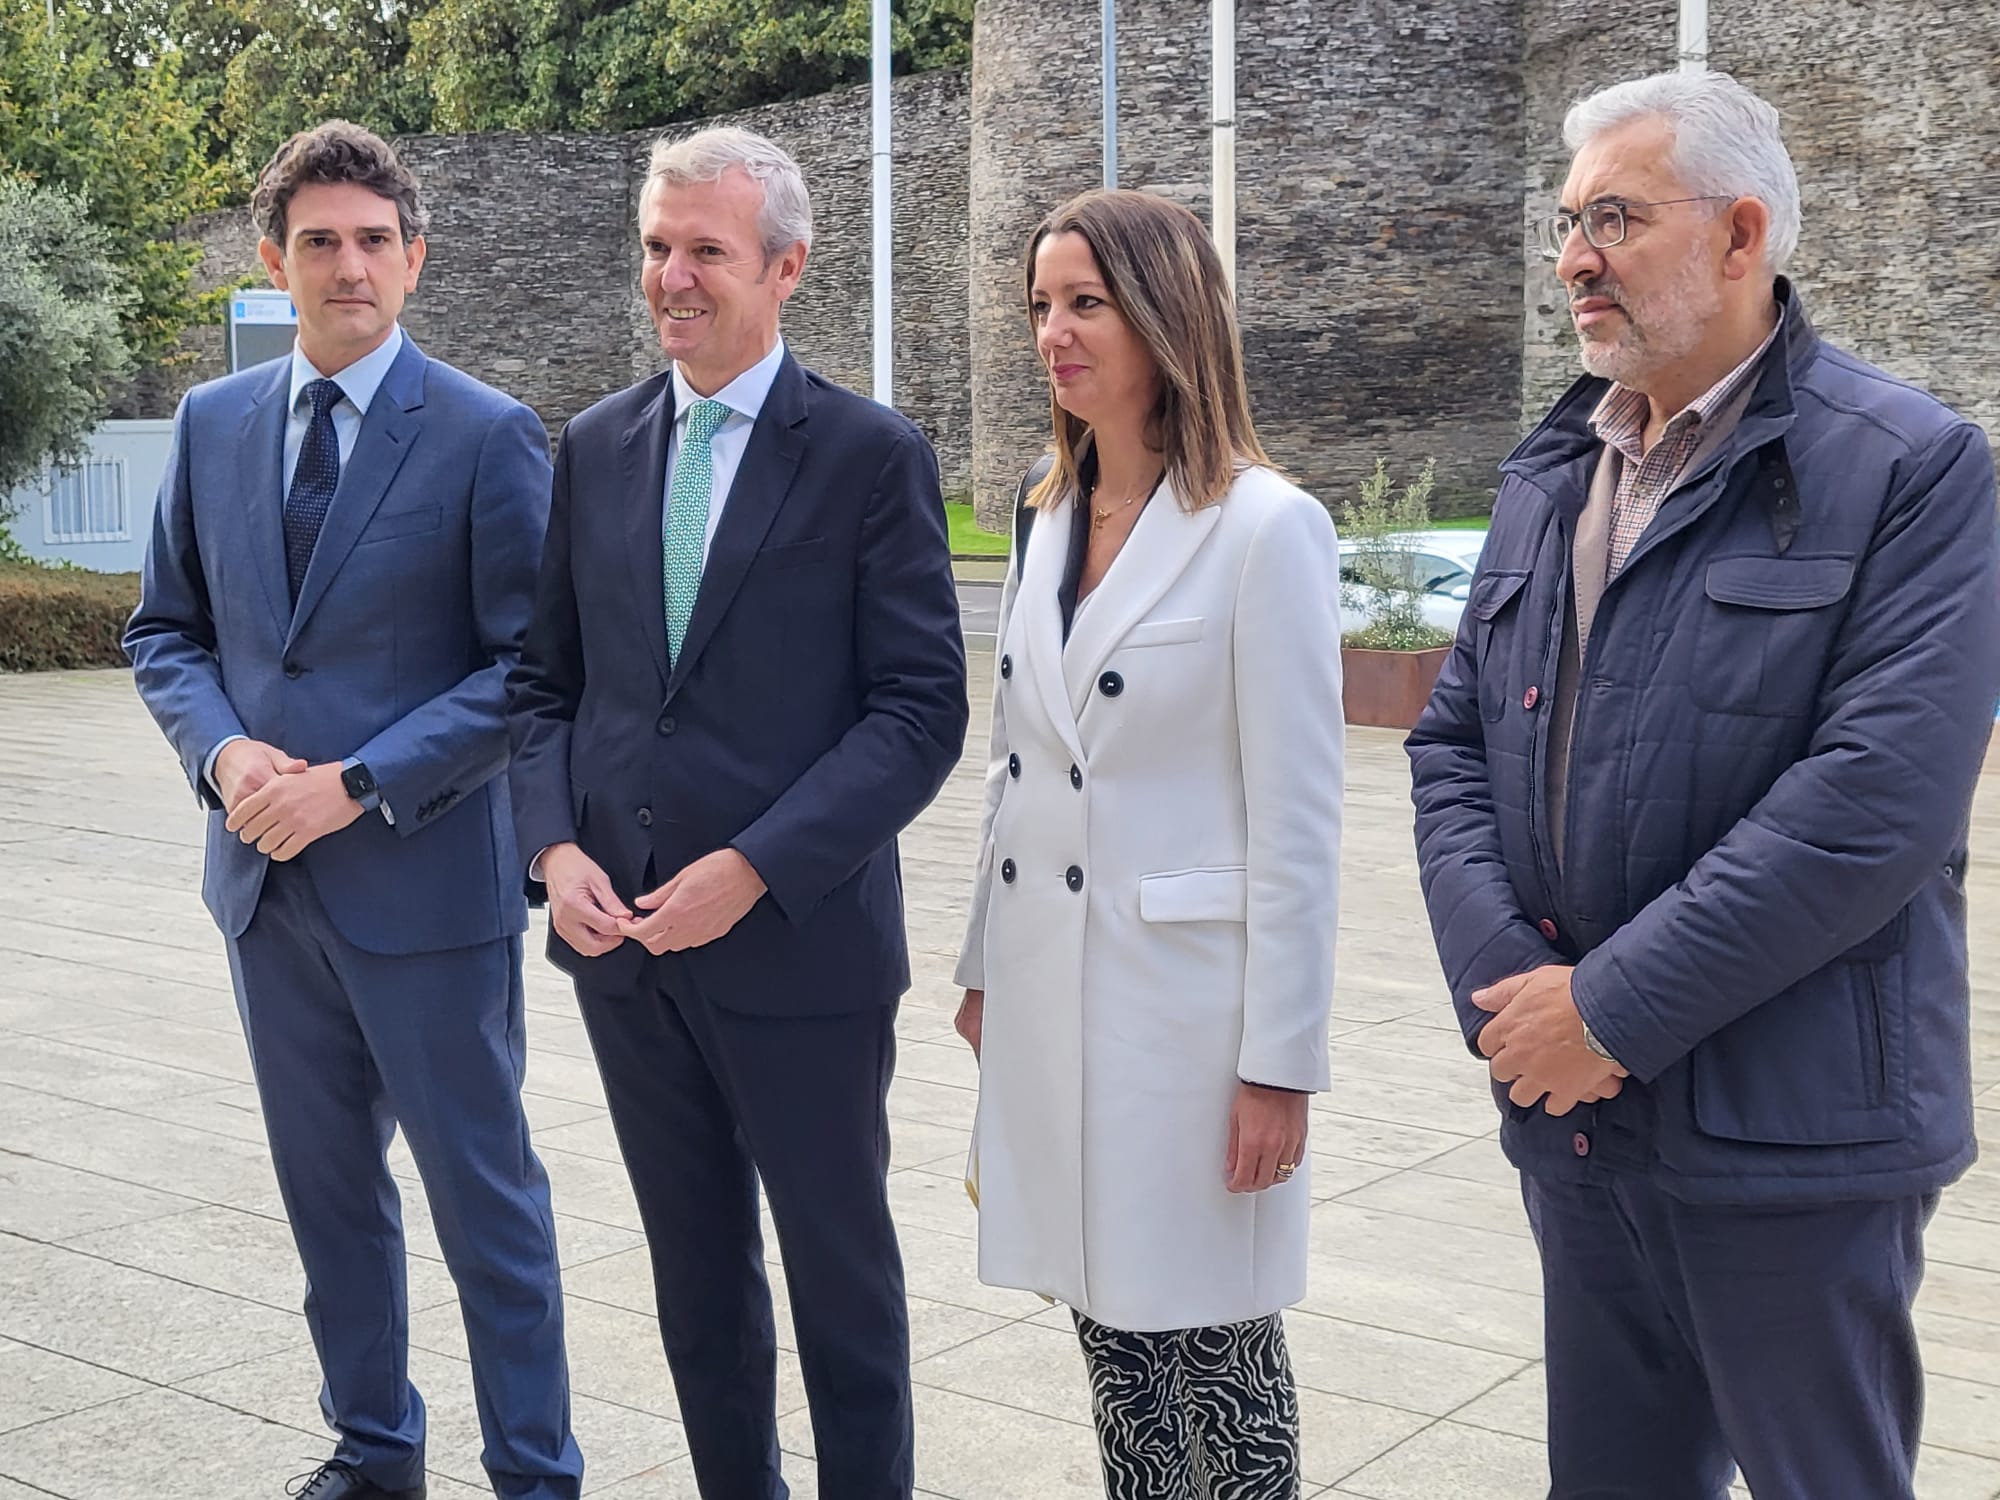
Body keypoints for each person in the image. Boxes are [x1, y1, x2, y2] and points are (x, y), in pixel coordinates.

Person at [1407, 70, 2000, 1500]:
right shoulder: (1555, 471)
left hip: (1791, 1142)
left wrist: (1606, 1009)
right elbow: (1450, 748)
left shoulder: (1911, 469)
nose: (1572, 260)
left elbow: (1875, 807)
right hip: (1582, 1132)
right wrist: (1518, 1002)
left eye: (1612, 217)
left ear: (1744, 236)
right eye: (1565, 222)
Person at [504, 126, 967, 1500]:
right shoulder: (592, 446)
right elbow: (545, 685)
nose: (673, 276)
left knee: (842, 1294)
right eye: (658, 247)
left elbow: (918, 712)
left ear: (787, 266)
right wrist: (551, 843)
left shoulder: (871, 456)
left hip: (800, 958)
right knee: (697, 1287)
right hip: (626, 957)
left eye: (704, 249)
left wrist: (756, 869)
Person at [124, 122, 582, 1500]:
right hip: (266, 896)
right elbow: (166, 632)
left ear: (415, 259)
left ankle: (534, 1474)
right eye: (318, 241)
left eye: (373, 240)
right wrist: (226, 761)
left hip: (427, 889)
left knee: (484, 1206)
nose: (348, 265)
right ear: (277, 261)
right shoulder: (212, 426)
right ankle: (375, 1452)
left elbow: (532, 669)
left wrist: (358, 783)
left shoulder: (489, 432)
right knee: (330, 1201)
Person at [952, 188, 1345, 1500]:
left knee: (1214, 1345)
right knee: (1110, 1329)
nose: (1053, 334)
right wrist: (980, 967)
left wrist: (1280, 1064)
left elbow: (1299, 820)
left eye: (1085, 303)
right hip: (1054, 987)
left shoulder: (1265, 528)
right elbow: (1021, 763)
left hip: (1187, 1021)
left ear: (1168, 316)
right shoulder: (1045, 514)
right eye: (1040, 307)